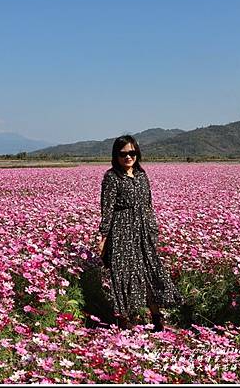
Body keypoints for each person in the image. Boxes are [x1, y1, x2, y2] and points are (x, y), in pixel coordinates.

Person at [97, 135, 183, 331]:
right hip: (121, 232)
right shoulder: (111, 177)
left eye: (132, 153)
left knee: (149, 271)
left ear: (137, 153)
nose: (128, 157)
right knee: (124, 274)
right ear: (116, 155)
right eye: (123, 153)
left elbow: (148, 205)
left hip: (144, 231)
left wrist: (153, 230)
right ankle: (127, 319)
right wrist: (104, 237)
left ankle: (157, 317)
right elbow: (107, 209)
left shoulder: (142, 176)